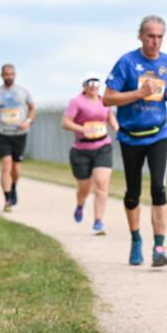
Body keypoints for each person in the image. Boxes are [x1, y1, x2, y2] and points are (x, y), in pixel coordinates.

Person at [103, 15, 167, 267]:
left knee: (158, 186)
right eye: (150, 36)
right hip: (130, 136)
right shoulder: (127, 62)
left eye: (159, 36)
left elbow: (163, 93)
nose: (155, 41)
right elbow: (108, 99)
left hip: (158, 132)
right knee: (133, 191)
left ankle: (159, 246)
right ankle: (136, 239)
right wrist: (139, 93)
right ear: (140, 36)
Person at [63, 73, 119, 235]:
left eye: (96, 83)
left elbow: (110, 117)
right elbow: (66, 122)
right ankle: (80, 205)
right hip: (81, 149)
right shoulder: (76, 102)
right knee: (84, 188)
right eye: (90, 83)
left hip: (103, 146)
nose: (94, 86)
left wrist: (117, 128)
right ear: (84, 86)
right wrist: (82, 129)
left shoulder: (104, 101)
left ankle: (98, 221)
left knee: (101, 183)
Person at [0, 64, 35, 212]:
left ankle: (13, 186)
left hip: (19, 134)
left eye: (12, 74)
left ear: (15, 75)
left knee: (16, 169)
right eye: (6, 74)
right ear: (2, 75)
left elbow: (32, 109)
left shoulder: (23, 92)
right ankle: (7, 199)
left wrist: (28, 121)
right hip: (2, 133)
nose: (9, 77)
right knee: (6, 164)